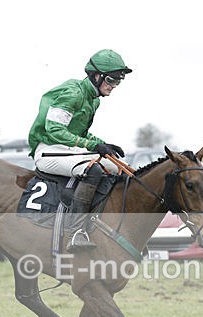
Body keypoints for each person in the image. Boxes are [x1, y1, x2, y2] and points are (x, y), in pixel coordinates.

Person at [28, 49, 132, 251]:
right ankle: (76, 232)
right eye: (111, 80)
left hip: (67, 150)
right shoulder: (74, 93)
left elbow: (80, 133)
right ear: (96, 76)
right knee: (93, 170)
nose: (113, 87)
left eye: (118, 82)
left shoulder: (94, 99)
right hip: (48, 150)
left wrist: (104, 144)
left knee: (122, 169)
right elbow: (54, 129)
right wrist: (94, 146)